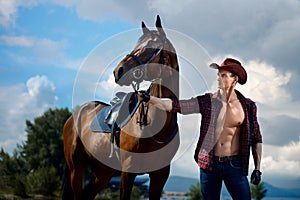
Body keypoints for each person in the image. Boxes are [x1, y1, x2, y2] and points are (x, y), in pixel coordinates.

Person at [138, 58, 262, 200]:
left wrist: (257, 168)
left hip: (235, 166)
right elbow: (176, 105)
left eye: (223, 75)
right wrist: (151, 99)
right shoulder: (207, 101)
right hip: (210, 165)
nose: (218, 78)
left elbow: (256, 138)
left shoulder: (248, 106)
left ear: (235, 79)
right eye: (218, 75)